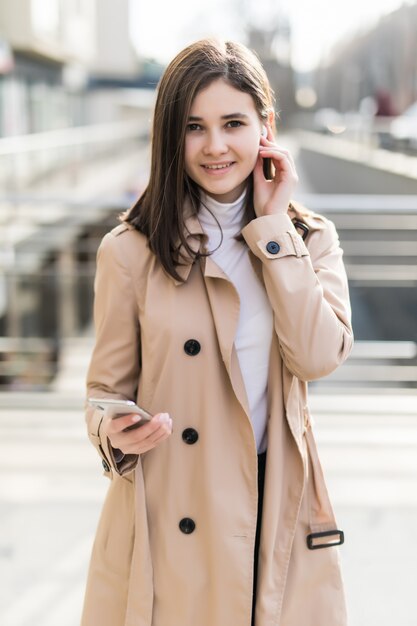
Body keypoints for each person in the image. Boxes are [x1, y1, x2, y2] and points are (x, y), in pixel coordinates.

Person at [82, 38, 353, 626]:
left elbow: (317, 357)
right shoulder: (129, 252)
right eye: (194, 127)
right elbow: (103, 392)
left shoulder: (307, 241)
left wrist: (274, 228)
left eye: (233, 122)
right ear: (171, 138)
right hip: (172, 512)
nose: (214, 146)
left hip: (275, 506)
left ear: (265, 126)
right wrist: (115, 429)